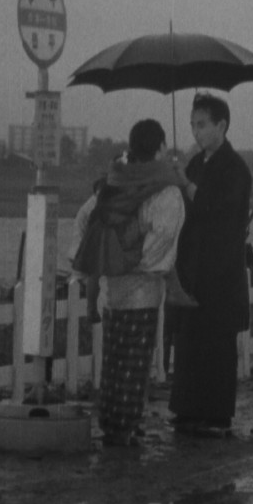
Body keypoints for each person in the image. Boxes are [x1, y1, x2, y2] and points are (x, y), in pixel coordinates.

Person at [67, 118, 185, 448]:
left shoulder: (113, 183)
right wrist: (139, 261)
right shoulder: (165, 190)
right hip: (143, 291)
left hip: (112, 291)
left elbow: (85, 220)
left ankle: (110, 422)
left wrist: (110, 262)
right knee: (135, 364)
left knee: (114, 361)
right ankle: (126, 428)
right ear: (160, 148)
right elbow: (162, 239)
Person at [169, 93, 252, 437]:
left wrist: (186, 184)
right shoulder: (195, 164)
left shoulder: (235, 169)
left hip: (221, 270)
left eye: (202, 124)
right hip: (192, 268)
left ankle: (216, 413)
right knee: (189, 342)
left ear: (222, 125)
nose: (197, 132)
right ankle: (187, 409)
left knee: (217, 343)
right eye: (192, 125)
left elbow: (219, 210)